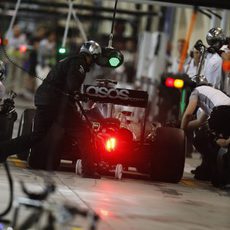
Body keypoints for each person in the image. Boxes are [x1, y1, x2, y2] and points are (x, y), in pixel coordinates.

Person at [0, 40, 102, 179]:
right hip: (57, 103)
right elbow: (72, 85)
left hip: (44, 99)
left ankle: (2, 150)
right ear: (92, 56)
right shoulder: (79, 64)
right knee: (84, 133)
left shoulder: (69, 60)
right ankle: (89, 171)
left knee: (36, 136)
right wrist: (80, 95)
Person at [180, 83, 230, 185]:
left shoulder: (196, 91)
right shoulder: (214, 96)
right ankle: (222, 174)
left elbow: (188, 114)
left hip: (220, 113)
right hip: (225, 112)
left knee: (200, 140)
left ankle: (215, 170)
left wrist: (180, 131)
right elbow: (199, 122)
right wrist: (185, 127)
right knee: (224, 143)